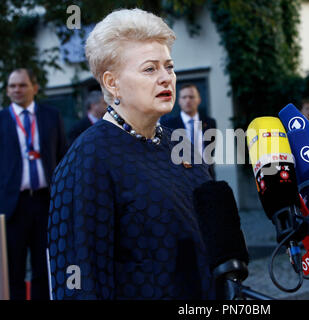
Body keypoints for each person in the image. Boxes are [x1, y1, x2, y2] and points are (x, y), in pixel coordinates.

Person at [47, 8, 215, 299]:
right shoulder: (87, 159)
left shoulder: (179, 144)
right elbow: (79, 281)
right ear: (113, 84)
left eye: (169, 67)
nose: (166, 79)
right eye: (150, 69)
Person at [0, 68, 67, 300]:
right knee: (14, 267)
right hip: (12, 205)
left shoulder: (51, 116)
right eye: (12, 86)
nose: (17, 90)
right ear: (7, 91)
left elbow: (62, 156)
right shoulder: (1, 119)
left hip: (45, 202)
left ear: (34, 88)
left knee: (44, 265)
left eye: (22, 85)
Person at [161, 83, 216, 179]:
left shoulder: (210, 123)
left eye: (191, 97)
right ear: (179, 101)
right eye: (184, 97)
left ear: (199, 100)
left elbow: (210, 151)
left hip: (207, 176)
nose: (188, 101)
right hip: (181, 179)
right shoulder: (168, 124)